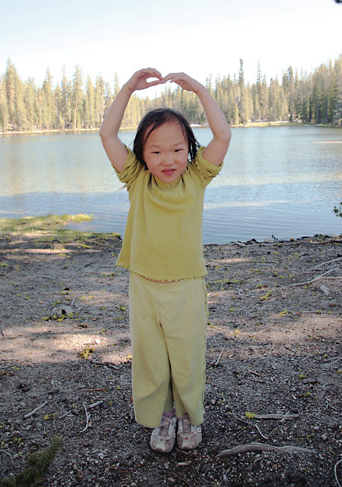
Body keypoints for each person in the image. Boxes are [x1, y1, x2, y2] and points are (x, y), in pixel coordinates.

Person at [99, 68, 231, 453]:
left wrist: (201, 90)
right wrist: (127, 88)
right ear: (141, 153)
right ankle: (163, 418)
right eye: (155, 151)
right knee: (152, 360)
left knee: (186, 359)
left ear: (188, 147)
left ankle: (190, 416)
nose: (168, 159)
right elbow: (107, 135)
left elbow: (222, 135)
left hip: (186, 285)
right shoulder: (136, 180)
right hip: (144, 285)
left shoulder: (198, 177)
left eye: (176, 149)